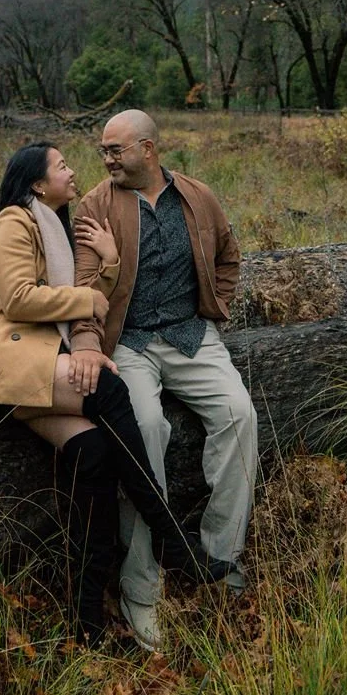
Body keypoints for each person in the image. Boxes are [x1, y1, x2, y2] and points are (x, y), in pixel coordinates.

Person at [0, 140, 234, 646]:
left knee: (95, 455)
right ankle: (169, 537)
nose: (73, 170)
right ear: (38, 183)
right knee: (110, 389)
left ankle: (88, 622)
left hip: (35, 365)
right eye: (62, 166)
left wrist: (104, 262)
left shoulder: (55, 225)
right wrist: (90, 300)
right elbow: (18, 299)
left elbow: (78, 300)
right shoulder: (13, 222)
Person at [70, 110, 259, 651]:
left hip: (191, 336)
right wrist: (88, 342)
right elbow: (84, 286)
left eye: (115, 150)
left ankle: (219, 559)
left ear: (148, 149)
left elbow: (228, 253)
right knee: (147, 431)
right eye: (102, 150)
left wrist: (215, 303)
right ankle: (141, 587)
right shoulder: (96, 206)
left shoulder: (197, 196)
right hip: (128, 341)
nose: (105, 160)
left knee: (239, 414)